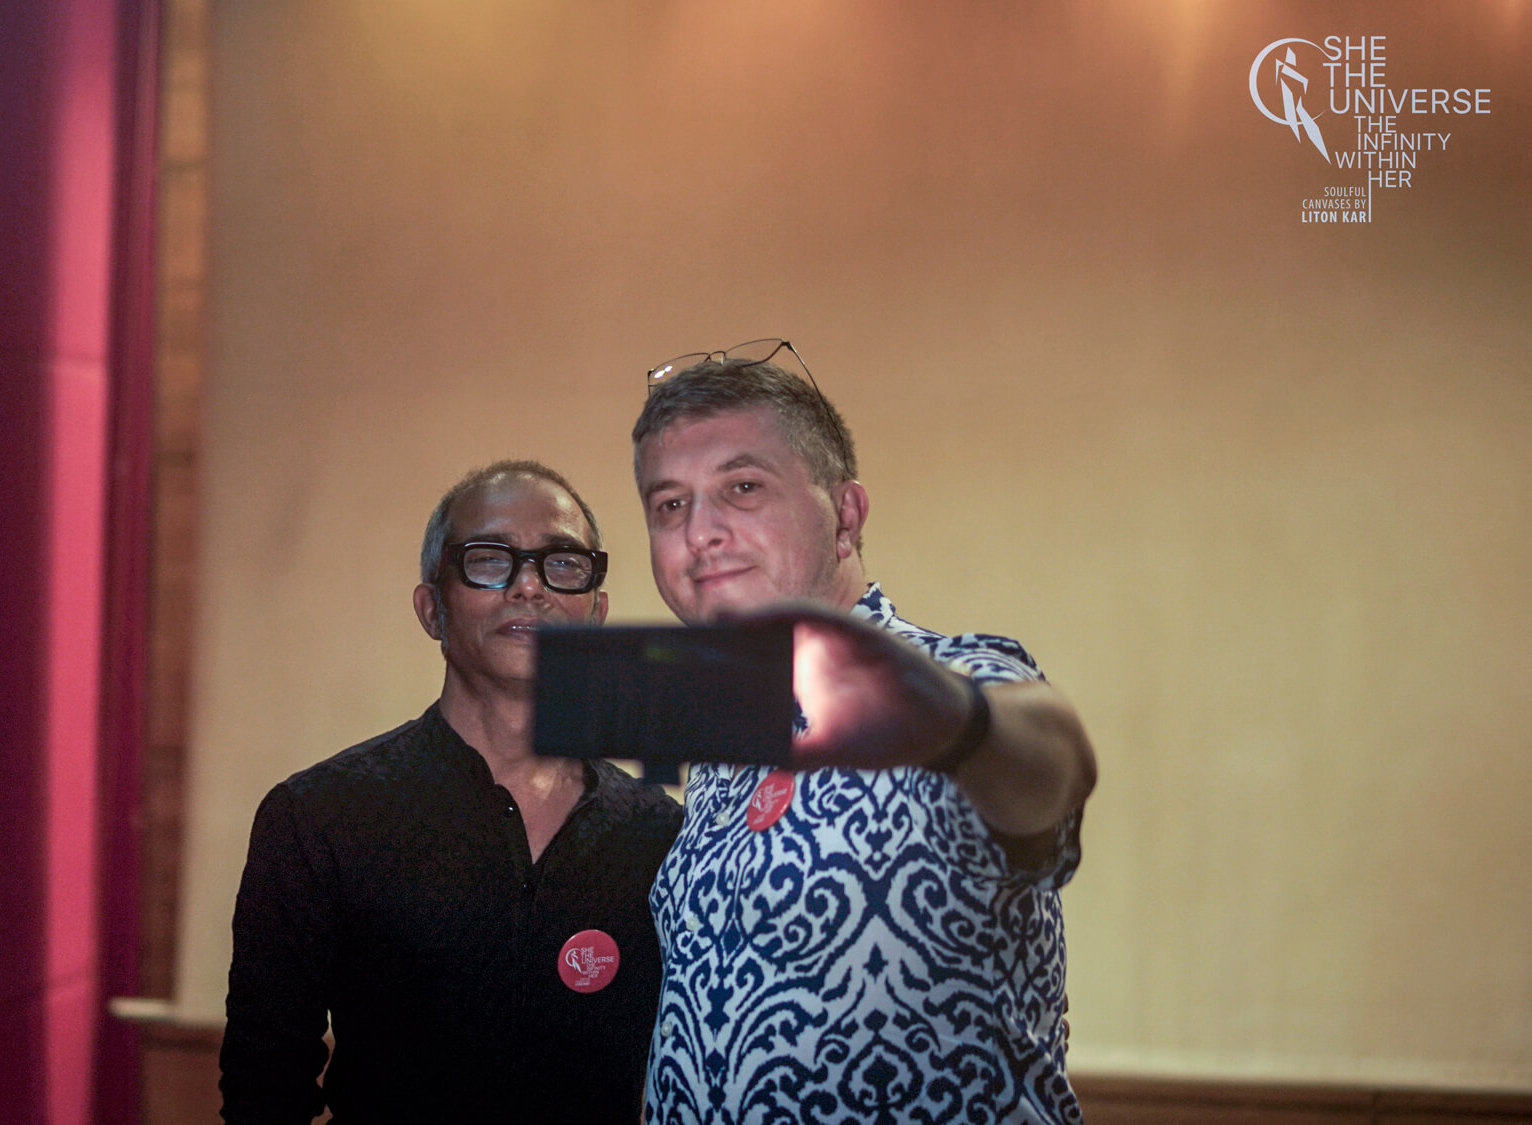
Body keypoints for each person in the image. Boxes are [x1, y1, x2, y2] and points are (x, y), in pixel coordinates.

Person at [631, 342, 1097, 1125]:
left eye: (742, 487)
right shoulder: (719, 748)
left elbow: (1051, 766)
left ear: (845, 516)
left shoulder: (945, 681)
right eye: (670, 505)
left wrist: (961, 721)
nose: (700, 531)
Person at [219, 460, 684, 1124]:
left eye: (562, 564)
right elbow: (264, 1089)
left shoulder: (659, 836)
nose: (529, 585)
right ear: (431, 609)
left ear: (596, 614)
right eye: (490, 561)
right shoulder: (319, 818)